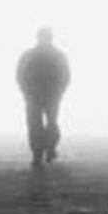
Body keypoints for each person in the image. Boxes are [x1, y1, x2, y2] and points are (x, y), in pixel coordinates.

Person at [16, 26, 71, 169]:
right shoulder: (58, 55)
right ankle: (48, 149)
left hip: (35, 96)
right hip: (49, 96)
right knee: (50, 123)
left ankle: (38, 154)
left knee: (35, 125)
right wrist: (59, 92)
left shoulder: (28, 55)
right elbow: (66, 76)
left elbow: (20, 75)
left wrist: (26, 91)